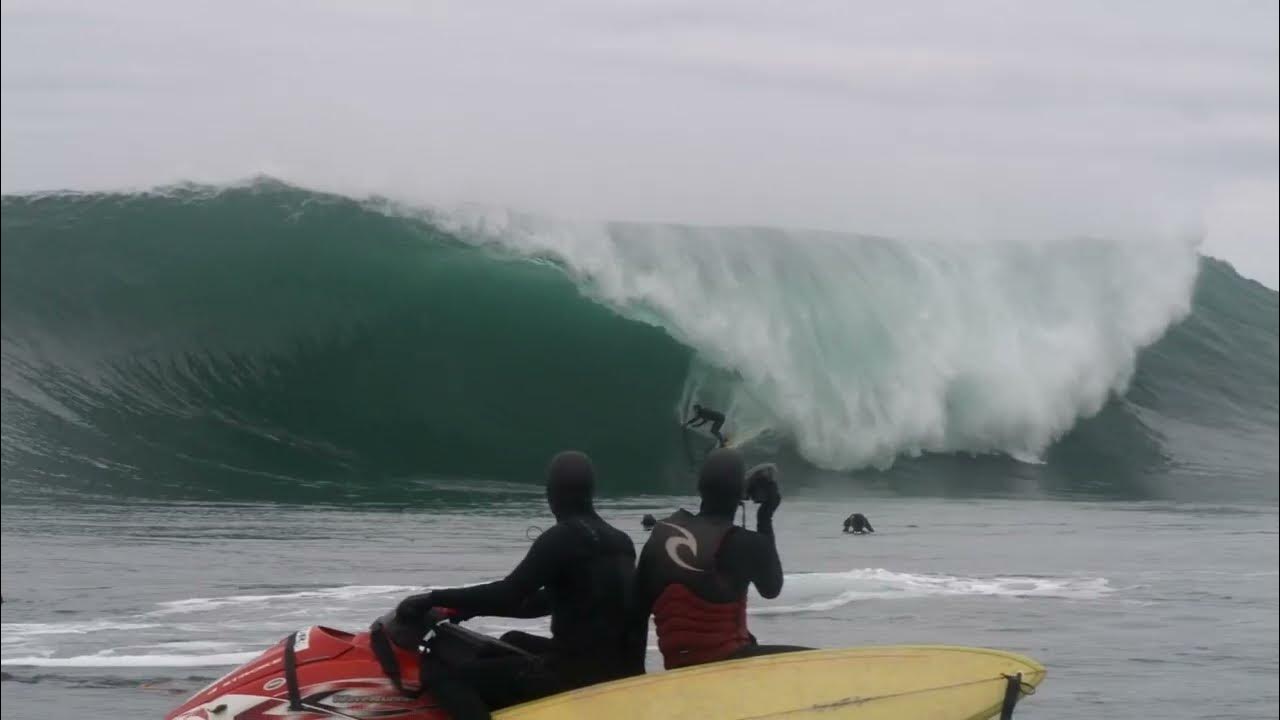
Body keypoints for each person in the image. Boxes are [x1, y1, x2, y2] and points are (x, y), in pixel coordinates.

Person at [383, 451, 640, 710]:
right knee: (511, 641)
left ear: (551, 493)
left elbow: (508, 593)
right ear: (591, 491)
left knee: (447, 678)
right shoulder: (621, 541)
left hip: (573, 676)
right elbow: (541, 603)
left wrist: (432, 598)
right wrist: (466, 608)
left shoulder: (563, 537)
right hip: (615, 673)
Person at [628, 448, 807, 670]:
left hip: (677, 667)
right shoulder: (746, 542)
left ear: (701, 488)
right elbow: (771, 589)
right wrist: (765, 518)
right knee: (817, 662)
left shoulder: (661, 534)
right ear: (741, 493)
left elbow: (635, 614)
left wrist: (635, 678)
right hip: (727, 668)